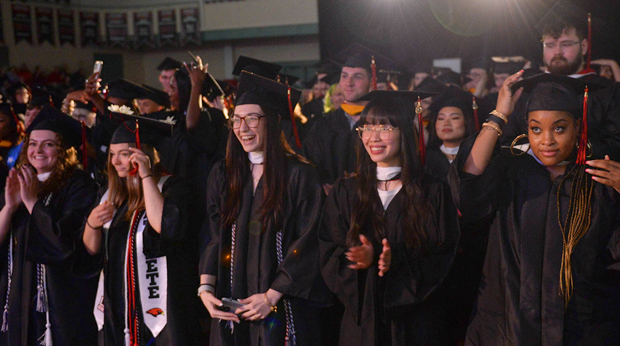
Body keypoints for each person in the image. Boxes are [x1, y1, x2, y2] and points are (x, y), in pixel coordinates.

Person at [452, 71, 620, 345]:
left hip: (581, 329)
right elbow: (469, 182)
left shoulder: (598, 181)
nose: (547, 140)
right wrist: (499, 114)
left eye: (559, 128)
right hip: (507, 327)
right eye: (536, 129)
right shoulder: (510, 171)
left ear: (578, 126)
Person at [319, 91, 459, 345]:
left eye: (384, 127)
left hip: (415, 326)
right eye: (366, 128)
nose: (373, 137)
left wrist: (398, 262)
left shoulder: (432, 192)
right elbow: (328, 251)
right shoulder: (346, 192)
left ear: (405, 132)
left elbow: (444, 257)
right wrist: (355, 262)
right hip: (362, 324)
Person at [201, 71, 329, 346]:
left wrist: (271, 296)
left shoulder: (299, 175)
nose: (242, 127)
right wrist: (205, 288)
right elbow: (214, 235)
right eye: (236, 119)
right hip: (231, 308)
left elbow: (308, 242)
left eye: (252, 119)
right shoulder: (225, 174)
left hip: (283, 307)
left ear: (271, 122)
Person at [79, 120, 201, 345]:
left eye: (124, 153)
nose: (115, 161)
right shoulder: (110, 195)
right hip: (117, 305)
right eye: (113, 154)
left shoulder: (172, 189)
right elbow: (91, 250)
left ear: (144, 154)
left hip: (161, 307)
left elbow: (163, 227)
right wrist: (91, 224)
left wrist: (146, 176)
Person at [0, 107, 99, 345]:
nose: (37, 151)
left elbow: (65, 245)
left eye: (49, 145)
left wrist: (33, 202)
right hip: (16, 299)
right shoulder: (19, 181)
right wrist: (9, 207)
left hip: (59, 301)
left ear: (64, 150)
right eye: (33, 143)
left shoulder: (79, 186)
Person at [425, 85, 479, 182]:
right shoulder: (426, 159)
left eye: (454, 118)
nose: (446, 124)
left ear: (467, 122)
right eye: (441, 118)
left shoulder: (476, 156)